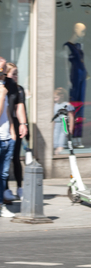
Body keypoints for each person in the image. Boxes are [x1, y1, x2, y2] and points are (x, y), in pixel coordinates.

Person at [3, 62, 29, 202]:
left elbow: (21, 107)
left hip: (15, 126)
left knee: (15, 158)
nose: (16, 76)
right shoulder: (4, 87)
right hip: (5, 125)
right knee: (5, 160)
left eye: (17, 74)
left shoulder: (18, 89)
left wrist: (24, 125)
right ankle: (6, 189)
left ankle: (19, 187)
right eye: (13, 73)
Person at [0, 57, 17, 217]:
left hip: (6, 138)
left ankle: (1, 206)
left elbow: (6, 113)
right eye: (2, 70)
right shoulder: (1, 90)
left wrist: (12, 131)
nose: (4, 73)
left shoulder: (3, 87)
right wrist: (2, 94)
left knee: (3, 175)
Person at [53, 87, 75, 155]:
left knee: (62, 138)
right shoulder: (55, 105)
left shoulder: (67, 105)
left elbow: (71, 117)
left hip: (64, 123)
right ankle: (56, 150)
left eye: (56, 97)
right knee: (55, 138)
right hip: (57, 124)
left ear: (62, 96)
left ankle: (60, 150)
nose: (55, 99)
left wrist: (71, 127)